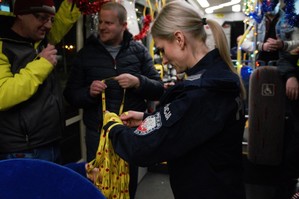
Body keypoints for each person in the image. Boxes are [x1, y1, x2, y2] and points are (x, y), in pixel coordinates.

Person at [100, 1, 247, 198]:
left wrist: (112, 127)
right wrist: (146, 118)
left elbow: (142, 149)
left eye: (162, 50)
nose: (165, 60)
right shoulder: (216, 76)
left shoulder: (203, 91)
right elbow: (191, 126)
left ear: (179, 39)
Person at [63, 2, 164, 198]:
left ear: (123, 26)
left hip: (129, 135)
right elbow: (70, 95)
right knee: (98, 185)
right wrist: (89, 92)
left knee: (127, 184)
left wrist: (138, 82)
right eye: (100, 21)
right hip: (98, 137)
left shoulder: (139, 51)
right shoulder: (86, 54)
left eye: (108, 23)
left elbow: (159, 90)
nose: (101, 27)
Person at [0, 0, 80, 163]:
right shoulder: (3, 46)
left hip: (49, 141)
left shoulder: (37, 40)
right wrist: (42, 64)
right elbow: (3, 94)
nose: (49, 25)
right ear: (21, 15)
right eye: (42, 18)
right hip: (22, 150)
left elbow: (63, 22)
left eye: (51, 20)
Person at [241, 0, 286, 65]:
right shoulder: (256, 22)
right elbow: (244, 43)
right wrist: (261, 46)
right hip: (259, 64)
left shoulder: (287, 20)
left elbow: (296, 42)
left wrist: (283, 44)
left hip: (283, 65)